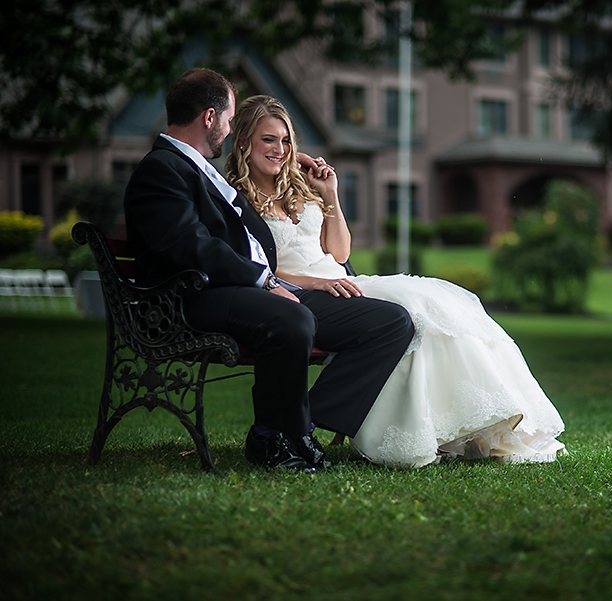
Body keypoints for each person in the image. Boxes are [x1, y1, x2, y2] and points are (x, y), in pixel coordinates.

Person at [225, 95, 567, 468]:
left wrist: (330, 195)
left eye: (286, 140)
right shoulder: (235, 199)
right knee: (408, 316)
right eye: (268, 140)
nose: (280, 150)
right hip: (294, 294)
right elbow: (255, 267)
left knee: (432, 306)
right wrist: (312, 284)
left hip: (342, 282)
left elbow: (338, 254)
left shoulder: (299, 191)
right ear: (244, 141)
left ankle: (457, 426)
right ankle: (314, 424)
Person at [123, 69, 415, 473]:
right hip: (187, 299)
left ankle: (299, 429)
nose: (227, 130)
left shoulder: (196, 168)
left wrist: (285, 263)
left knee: (390, 322)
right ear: (209, 117)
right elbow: (191, 246)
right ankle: (271, 436)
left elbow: (248, 239)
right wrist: (265, 280)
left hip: (237, 289)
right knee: (290, 316)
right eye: (227, 120)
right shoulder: (162, 170)